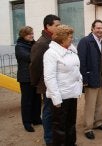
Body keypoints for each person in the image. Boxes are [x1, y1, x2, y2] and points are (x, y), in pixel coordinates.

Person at [43, 24, 82, 146]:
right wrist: (56, 98)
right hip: (60, 96)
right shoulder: (51, 53)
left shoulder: (71, 50)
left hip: (72, 93)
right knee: (59, 125)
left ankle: (71, 143)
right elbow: (49, 77)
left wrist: (79, 80)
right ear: (61, 38)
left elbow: (75, 68)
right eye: (70, 36)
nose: (72, 39)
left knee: (71, 122)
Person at [77, 19, 102, 140]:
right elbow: (81, 62)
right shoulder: (85, 41)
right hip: (91, 79)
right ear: (92, 28)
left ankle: (98, 122)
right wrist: (84, 79)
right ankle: (88, 128)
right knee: (90, 105)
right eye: (98, 28)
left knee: (99, 103)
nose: (100, 30)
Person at [30, 14, 61, 146]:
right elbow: (34, 66)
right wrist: (37, 83)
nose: (59, 28)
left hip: (57, 83)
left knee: (56, 112)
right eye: (57, 26)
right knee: (49, 112)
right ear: (48, 26)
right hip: (47, 84)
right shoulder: (42, 43)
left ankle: (56, 137)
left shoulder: (55, 40)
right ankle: (49, 139)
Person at [15, 26, 42, 132]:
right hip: (25, 78)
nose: (31, 35)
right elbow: (30, 58)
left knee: (37, 100)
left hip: (35, 77)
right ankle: (27, 122)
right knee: (27, 101)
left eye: (32, 33)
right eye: (28, 34)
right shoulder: (19, 46)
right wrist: (38, 55)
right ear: (23, 35)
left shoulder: (34, 44)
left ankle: (36, 119)